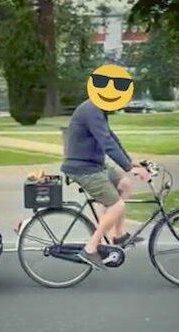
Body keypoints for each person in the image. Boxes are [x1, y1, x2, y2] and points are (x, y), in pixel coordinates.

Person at [61, 99, 150, 270]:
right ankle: (91, 248)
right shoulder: (91, 109)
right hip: (83, 168)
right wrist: (128, 167)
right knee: (117, 205)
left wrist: (131, 163)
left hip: (94, 165)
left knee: (125, 184)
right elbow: (107, 144)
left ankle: (118, 235)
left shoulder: (98, 109)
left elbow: (111, 138)